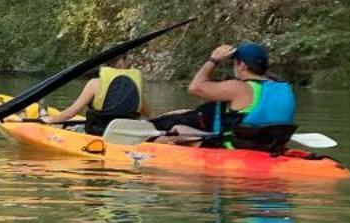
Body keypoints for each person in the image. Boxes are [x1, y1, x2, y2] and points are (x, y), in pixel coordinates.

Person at [151, 42, 299, 150]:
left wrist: (213, 60)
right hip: (270, 148)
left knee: (177, 129)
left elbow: (194, 88)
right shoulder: (285, 88)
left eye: (234, 63)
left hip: (234, 149)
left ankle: (141, 155)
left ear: (242, 66)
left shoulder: (239, 88)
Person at [41, 65, 147, 136]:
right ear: (122, 62)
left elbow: (70, 113)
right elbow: (147, 113)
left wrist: (51, 120)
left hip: (99, 133)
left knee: (64, 126)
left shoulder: (95, 83)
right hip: (127, 133)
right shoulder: (134, 85)